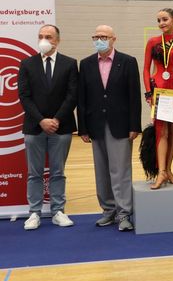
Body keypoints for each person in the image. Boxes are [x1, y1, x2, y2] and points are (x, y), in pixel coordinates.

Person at [77, 25, 141, 232]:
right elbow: (82, 98)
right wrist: (82, 128)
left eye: (104, 36)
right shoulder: (86, 64)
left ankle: (124, 213)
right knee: (102, 171)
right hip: (95, 124)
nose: (99, 40)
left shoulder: (128, 62)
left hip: (120, 125)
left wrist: (134, 125)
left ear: (114, 39)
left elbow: (134, 97)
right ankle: (108, 210)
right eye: (96, 36)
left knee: (120, 170)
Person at [18, 24, 78, 230]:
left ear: (57, 40)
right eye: (41, 36)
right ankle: (34, 212)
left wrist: (57, 119)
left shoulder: (70, 64)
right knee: (34, 173)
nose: (44, 39)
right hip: (34, 128)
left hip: (61, 127)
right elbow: (24, 96)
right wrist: (41, 120)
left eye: (49, 36)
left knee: (58, 172)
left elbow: (72, 95)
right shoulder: (27, 64)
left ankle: (58, 211)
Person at [143, 8, 173, 189]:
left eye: (165, 19)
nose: (161, 23)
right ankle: (161, 171)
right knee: (160, 130)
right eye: (159, 20)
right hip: (158, 90)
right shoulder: (152, 42)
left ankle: (169, 169)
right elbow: (146, 69)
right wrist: (149, 93)